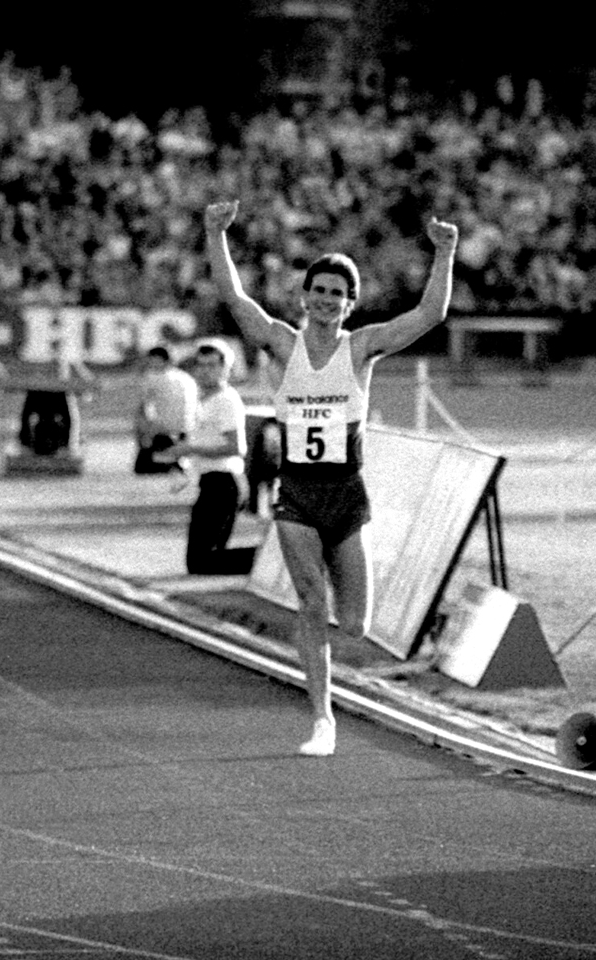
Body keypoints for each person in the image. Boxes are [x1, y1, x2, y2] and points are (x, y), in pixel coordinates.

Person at [203, 199, 459, 757]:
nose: (325, 301)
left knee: (355, 624)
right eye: (317, 291)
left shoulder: (361, 348)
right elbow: (234, 298)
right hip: (296, 494)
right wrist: (215, 234)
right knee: (310, 604)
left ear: (349, 303)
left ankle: (342, 680)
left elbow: (429, 316)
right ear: (305, 298)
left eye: (336, 293)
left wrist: (445, 252)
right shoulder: (282, 342)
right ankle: (322, 719)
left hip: (347, 494)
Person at [156, 341, 257, 575]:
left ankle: (270, 559)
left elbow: (236, 447)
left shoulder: (227, 400)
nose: (204, 371)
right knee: (201, 561)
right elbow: (203, 440)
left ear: (225, 369)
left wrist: (191, 450)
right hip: (209, 480)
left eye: (212, 365)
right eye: (200, 365)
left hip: (224, 481)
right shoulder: (201, 399)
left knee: (201, 563)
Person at [133, 345, 196, 474]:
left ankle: (167, 461)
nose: (149, 364)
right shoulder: (186, 378)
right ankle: (176, 458)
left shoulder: (154, 377)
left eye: (151, 360)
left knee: (142, 468)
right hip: (188, 432)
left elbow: (144, 408)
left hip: (165, 431)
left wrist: (144, 434)